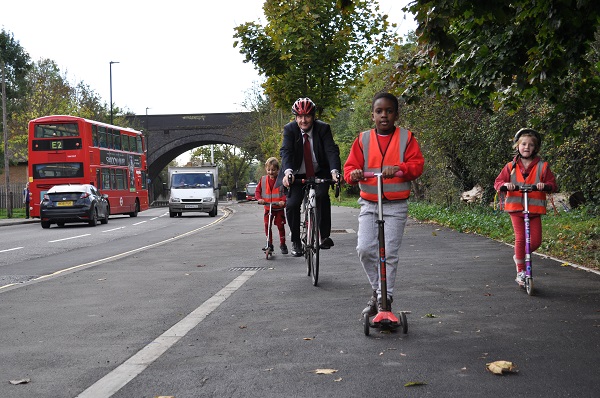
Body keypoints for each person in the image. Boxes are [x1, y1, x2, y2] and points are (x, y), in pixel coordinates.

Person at [344, 92, 424, 316]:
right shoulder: (363, 139)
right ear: (372, 115)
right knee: (365, 249)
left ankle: (385, 298)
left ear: (396, 115)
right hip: (369, 204)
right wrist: (355, 175)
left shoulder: (407, 138)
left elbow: (417, 165)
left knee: (388, 252)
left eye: (389, 111)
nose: (384, 115)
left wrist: (399, 168)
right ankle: (379, 291)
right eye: (379, 111)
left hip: (395, 206)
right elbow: (349, 169)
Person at [278, 97, 341, 257]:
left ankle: (324, 236)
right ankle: (296, 241)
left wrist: (334, 171)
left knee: (321, 196)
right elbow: (286, 152)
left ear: (313, 116)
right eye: (299, 116)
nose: (303, 120)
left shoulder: (323, 129)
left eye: (307, 116)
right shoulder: (290, 129)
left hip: (319, 171)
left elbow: (331, 150)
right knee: (292, 205)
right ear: (295, 117)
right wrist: (288, 172)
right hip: (296, 173)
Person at [494, 128, 557, 286]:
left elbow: (553, 184)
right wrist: (505, 185)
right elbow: (498, 182)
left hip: (534, 210)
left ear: (535, 148)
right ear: (517, 146)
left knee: (535, 241)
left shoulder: (543, 166)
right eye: (523, 144)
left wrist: (545, 186)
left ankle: (519, 256)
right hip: (516, 209)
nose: (526, 147)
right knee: (521, 239)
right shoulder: (511, 166)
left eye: (530, 145)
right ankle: (521, 271)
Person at [256, 157, 288, 254]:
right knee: (267, 225)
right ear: (266, 169)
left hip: (278, 208)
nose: (271, 172)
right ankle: (269, 243)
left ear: (278, 170)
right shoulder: (263, 179)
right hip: (268, 207)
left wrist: (283, 200)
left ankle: (283, 244)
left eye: (273, 170)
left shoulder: (282, 180)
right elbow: (258, 191)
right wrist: (259, 199)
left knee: (280, 225)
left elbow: (286, 192)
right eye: (269, 170)